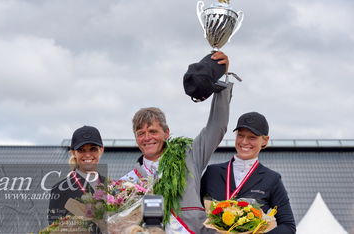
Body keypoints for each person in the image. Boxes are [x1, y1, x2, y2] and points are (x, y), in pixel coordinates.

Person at [120, 51, 233, 233]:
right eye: (141, 133)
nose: (147, 137)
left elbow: (217, 126)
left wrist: (221, 75)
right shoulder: (129, 181)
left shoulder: (189, 155)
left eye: (153, 131)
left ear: (166, 133)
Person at [201, 112, 296, 234]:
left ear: (265, 141)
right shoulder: (212, 172)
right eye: (240, 135)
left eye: (252, 137)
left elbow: (288, 226)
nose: (244, 142)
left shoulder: (272, 179)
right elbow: (193, 211)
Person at [48, 125, 105, 229]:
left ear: (101, 150)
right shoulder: (60, 189)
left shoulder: (112, 186)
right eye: (81, 150)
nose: (87, 155)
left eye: (93, 149)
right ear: (73, 153)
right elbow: (54, 228)